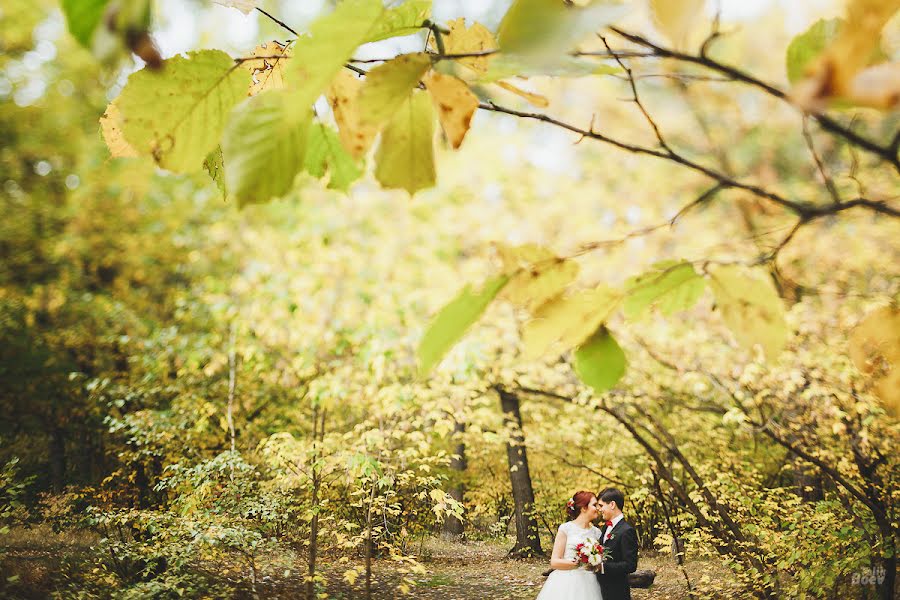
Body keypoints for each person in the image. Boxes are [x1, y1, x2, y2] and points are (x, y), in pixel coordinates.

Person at [536, 490, 604, 600]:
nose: (598, 508)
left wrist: (594, 561)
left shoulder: (597, 532)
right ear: (584, 508)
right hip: (566, 581)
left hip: (589, 582)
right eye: (594, 505)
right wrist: (574, 563)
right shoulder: (566, 528)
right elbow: (554, 562)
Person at [593, 487, 639, 600]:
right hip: (601, 588)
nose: (599, 509)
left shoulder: (627, 531)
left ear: (612, 504)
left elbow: (630, 565)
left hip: (617, 592)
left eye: (601, 505)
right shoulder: (605, 527)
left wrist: (603, 567)